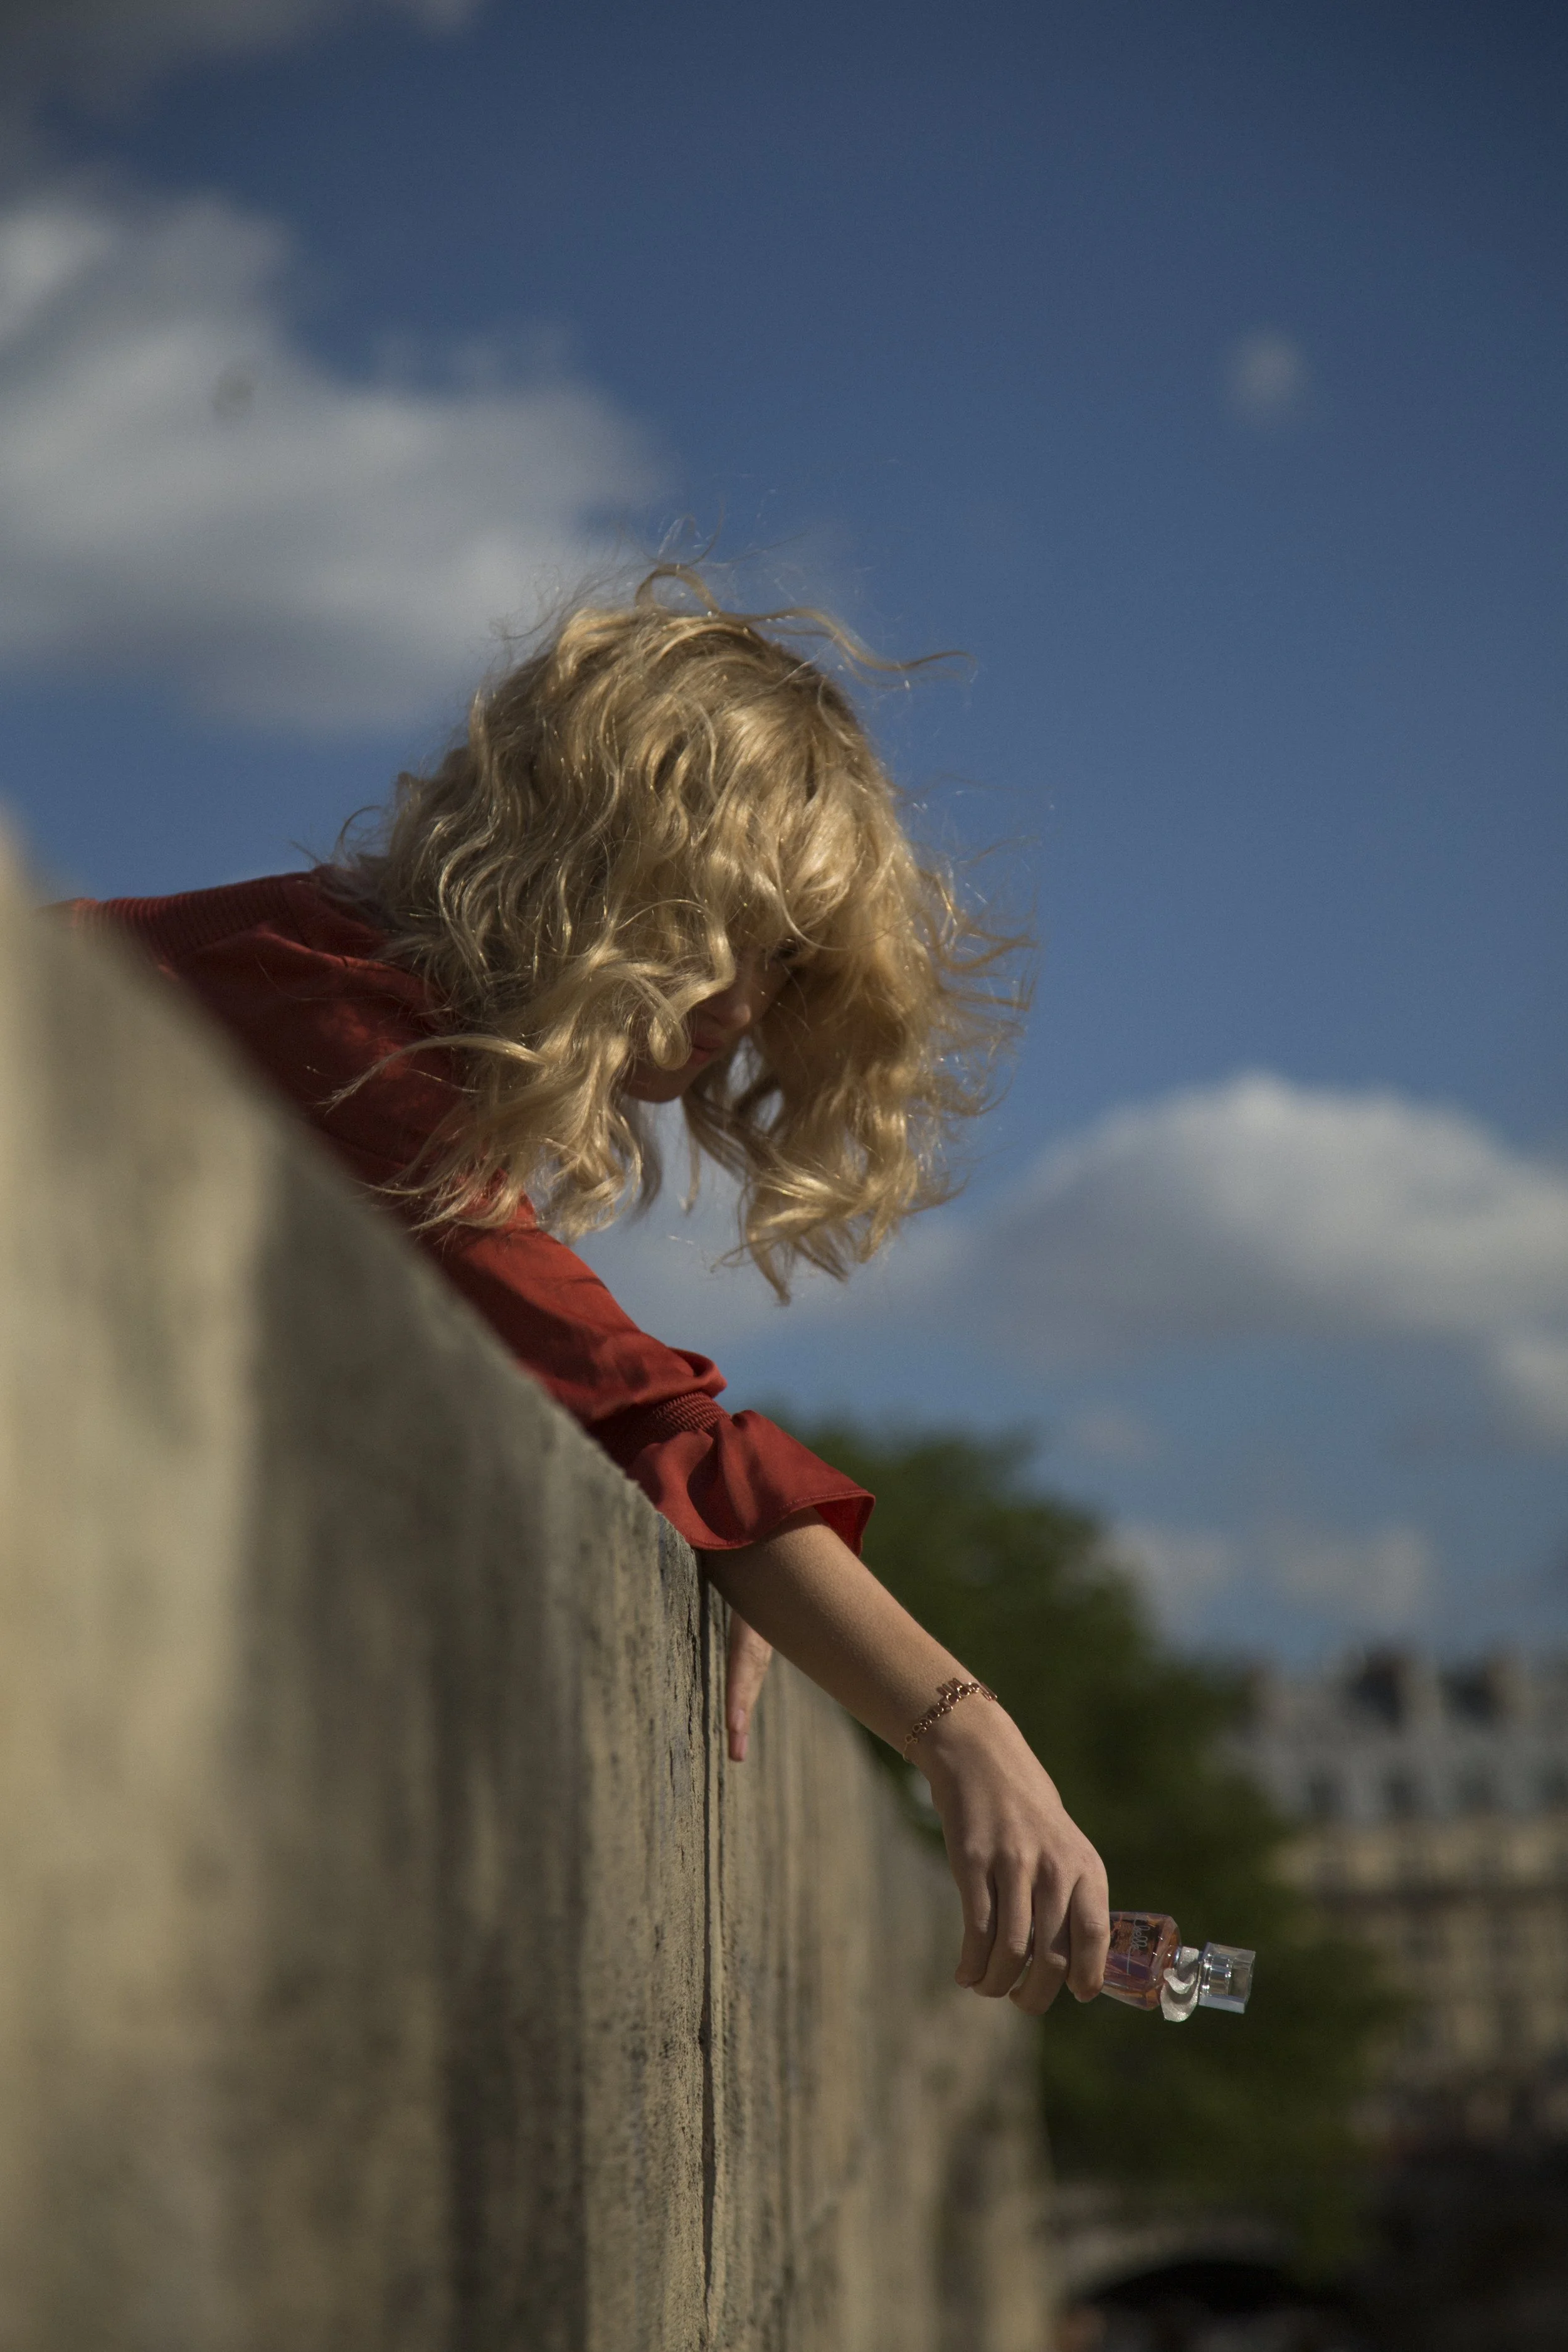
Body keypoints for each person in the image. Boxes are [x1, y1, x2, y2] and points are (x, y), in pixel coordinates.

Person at [70, 568, 1110, 2015]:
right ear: (608, 874)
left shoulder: (342, 1002)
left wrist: (730, 1554)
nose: (747, 1007)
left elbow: (586, 1402)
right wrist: (963, 1732)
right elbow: (645, 1421)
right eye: (735, 936)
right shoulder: (340, 1022)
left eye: (785, 966)